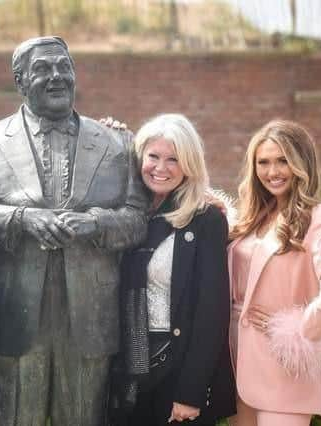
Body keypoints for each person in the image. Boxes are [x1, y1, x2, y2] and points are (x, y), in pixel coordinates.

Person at [0, 36, 148, 425]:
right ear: (20, 81)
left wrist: (95, 223)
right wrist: (21, 220)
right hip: (14, 313)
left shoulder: (117, 143)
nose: (57, 76)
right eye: (43, 68)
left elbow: (138, 218)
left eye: (64, 66)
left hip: (89, 319)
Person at [109, 113, 236, 425]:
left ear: (189, 164)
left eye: (173, 159)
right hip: (127, 372)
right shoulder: (129, 215)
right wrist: (111, 136)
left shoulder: (206, 219)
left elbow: (212, 311)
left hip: (177, 372)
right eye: (153, 156)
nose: (160, 168)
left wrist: (191, 391)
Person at [227, 119, 321, 426]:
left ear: (301, 163)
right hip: (235, 362)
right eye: (264, 162)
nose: (273, 172)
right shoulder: (251, 219)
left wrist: (296, 330)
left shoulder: (320, 219)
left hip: (284, 367)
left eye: (283, 161)